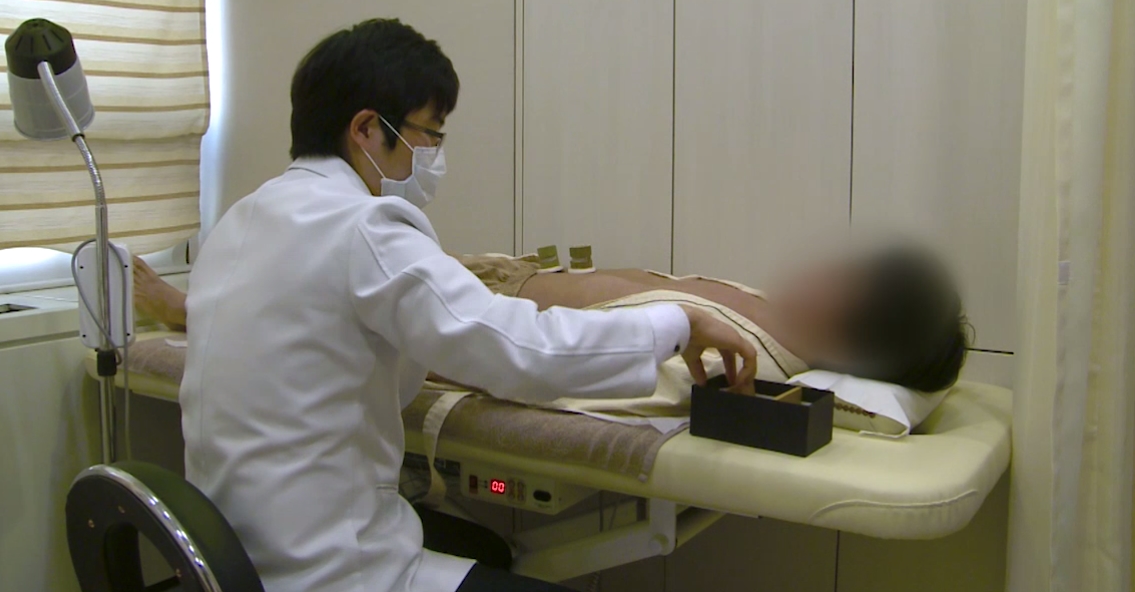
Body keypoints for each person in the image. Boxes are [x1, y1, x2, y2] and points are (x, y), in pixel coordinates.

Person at [178, 19, 757, 592]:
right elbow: (522, 349)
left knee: (485, 548)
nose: (434, 153)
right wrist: (679, 321)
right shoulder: (364, 228)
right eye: (428, 134)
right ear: (366, 129)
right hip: (334, 573)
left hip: (234, 560)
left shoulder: (239, 221)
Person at [138, 242, 969, 394]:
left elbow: (574, 367)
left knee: (339, 312)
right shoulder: (761, 307)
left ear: (847, 317)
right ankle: (220, 293)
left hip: (481, 321)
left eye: (844, 273)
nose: (822, 260)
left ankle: (191, 313)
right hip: (492, 283)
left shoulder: (748, 361)